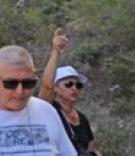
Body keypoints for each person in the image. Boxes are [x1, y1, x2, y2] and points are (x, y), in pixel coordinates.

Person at [38, 28, 103, 156]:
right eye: (68, 84)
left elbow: (92, 148)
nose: (74, 88)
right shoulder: (50, 110)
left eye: (78, 85)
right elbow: (46, 86)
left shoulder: (81, 118)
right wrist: (56, 51)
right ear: (56, 87)